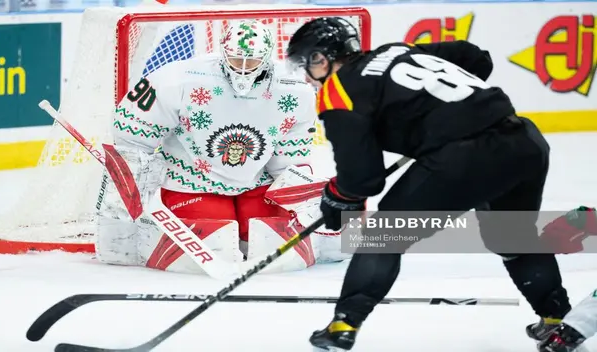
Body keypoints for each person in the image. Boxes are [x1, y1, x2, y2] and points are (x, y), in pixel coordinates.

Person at [286, 17, 572, 351]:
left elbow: (363, 179)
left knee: (384, 235)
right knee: (513, 238)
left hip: (467, 158)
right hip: (524, 142)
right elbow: (476, 57)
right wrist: (443, 113)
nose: (307, 76)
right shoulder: (398, 51)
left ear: (322, 58)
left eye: (307, 64)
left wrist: (337, 197)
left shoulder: (339, 89)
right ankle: (556, 322)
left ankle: (342, 326)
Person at [94, 20, 345, 275]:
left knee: (274, 238)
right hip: (192, 180)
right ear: (223, 53)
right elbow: (133, 139)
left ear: (268, 57)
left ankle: (340, 236)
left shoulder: (295, 89)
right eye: (237, 60)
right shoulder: (179, 79)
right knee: (215, 241)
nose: (244, 69)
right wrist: (120, 226)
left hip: (259, 182)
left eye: (253, 60)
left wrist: (306, 201)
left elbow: (288, 159)